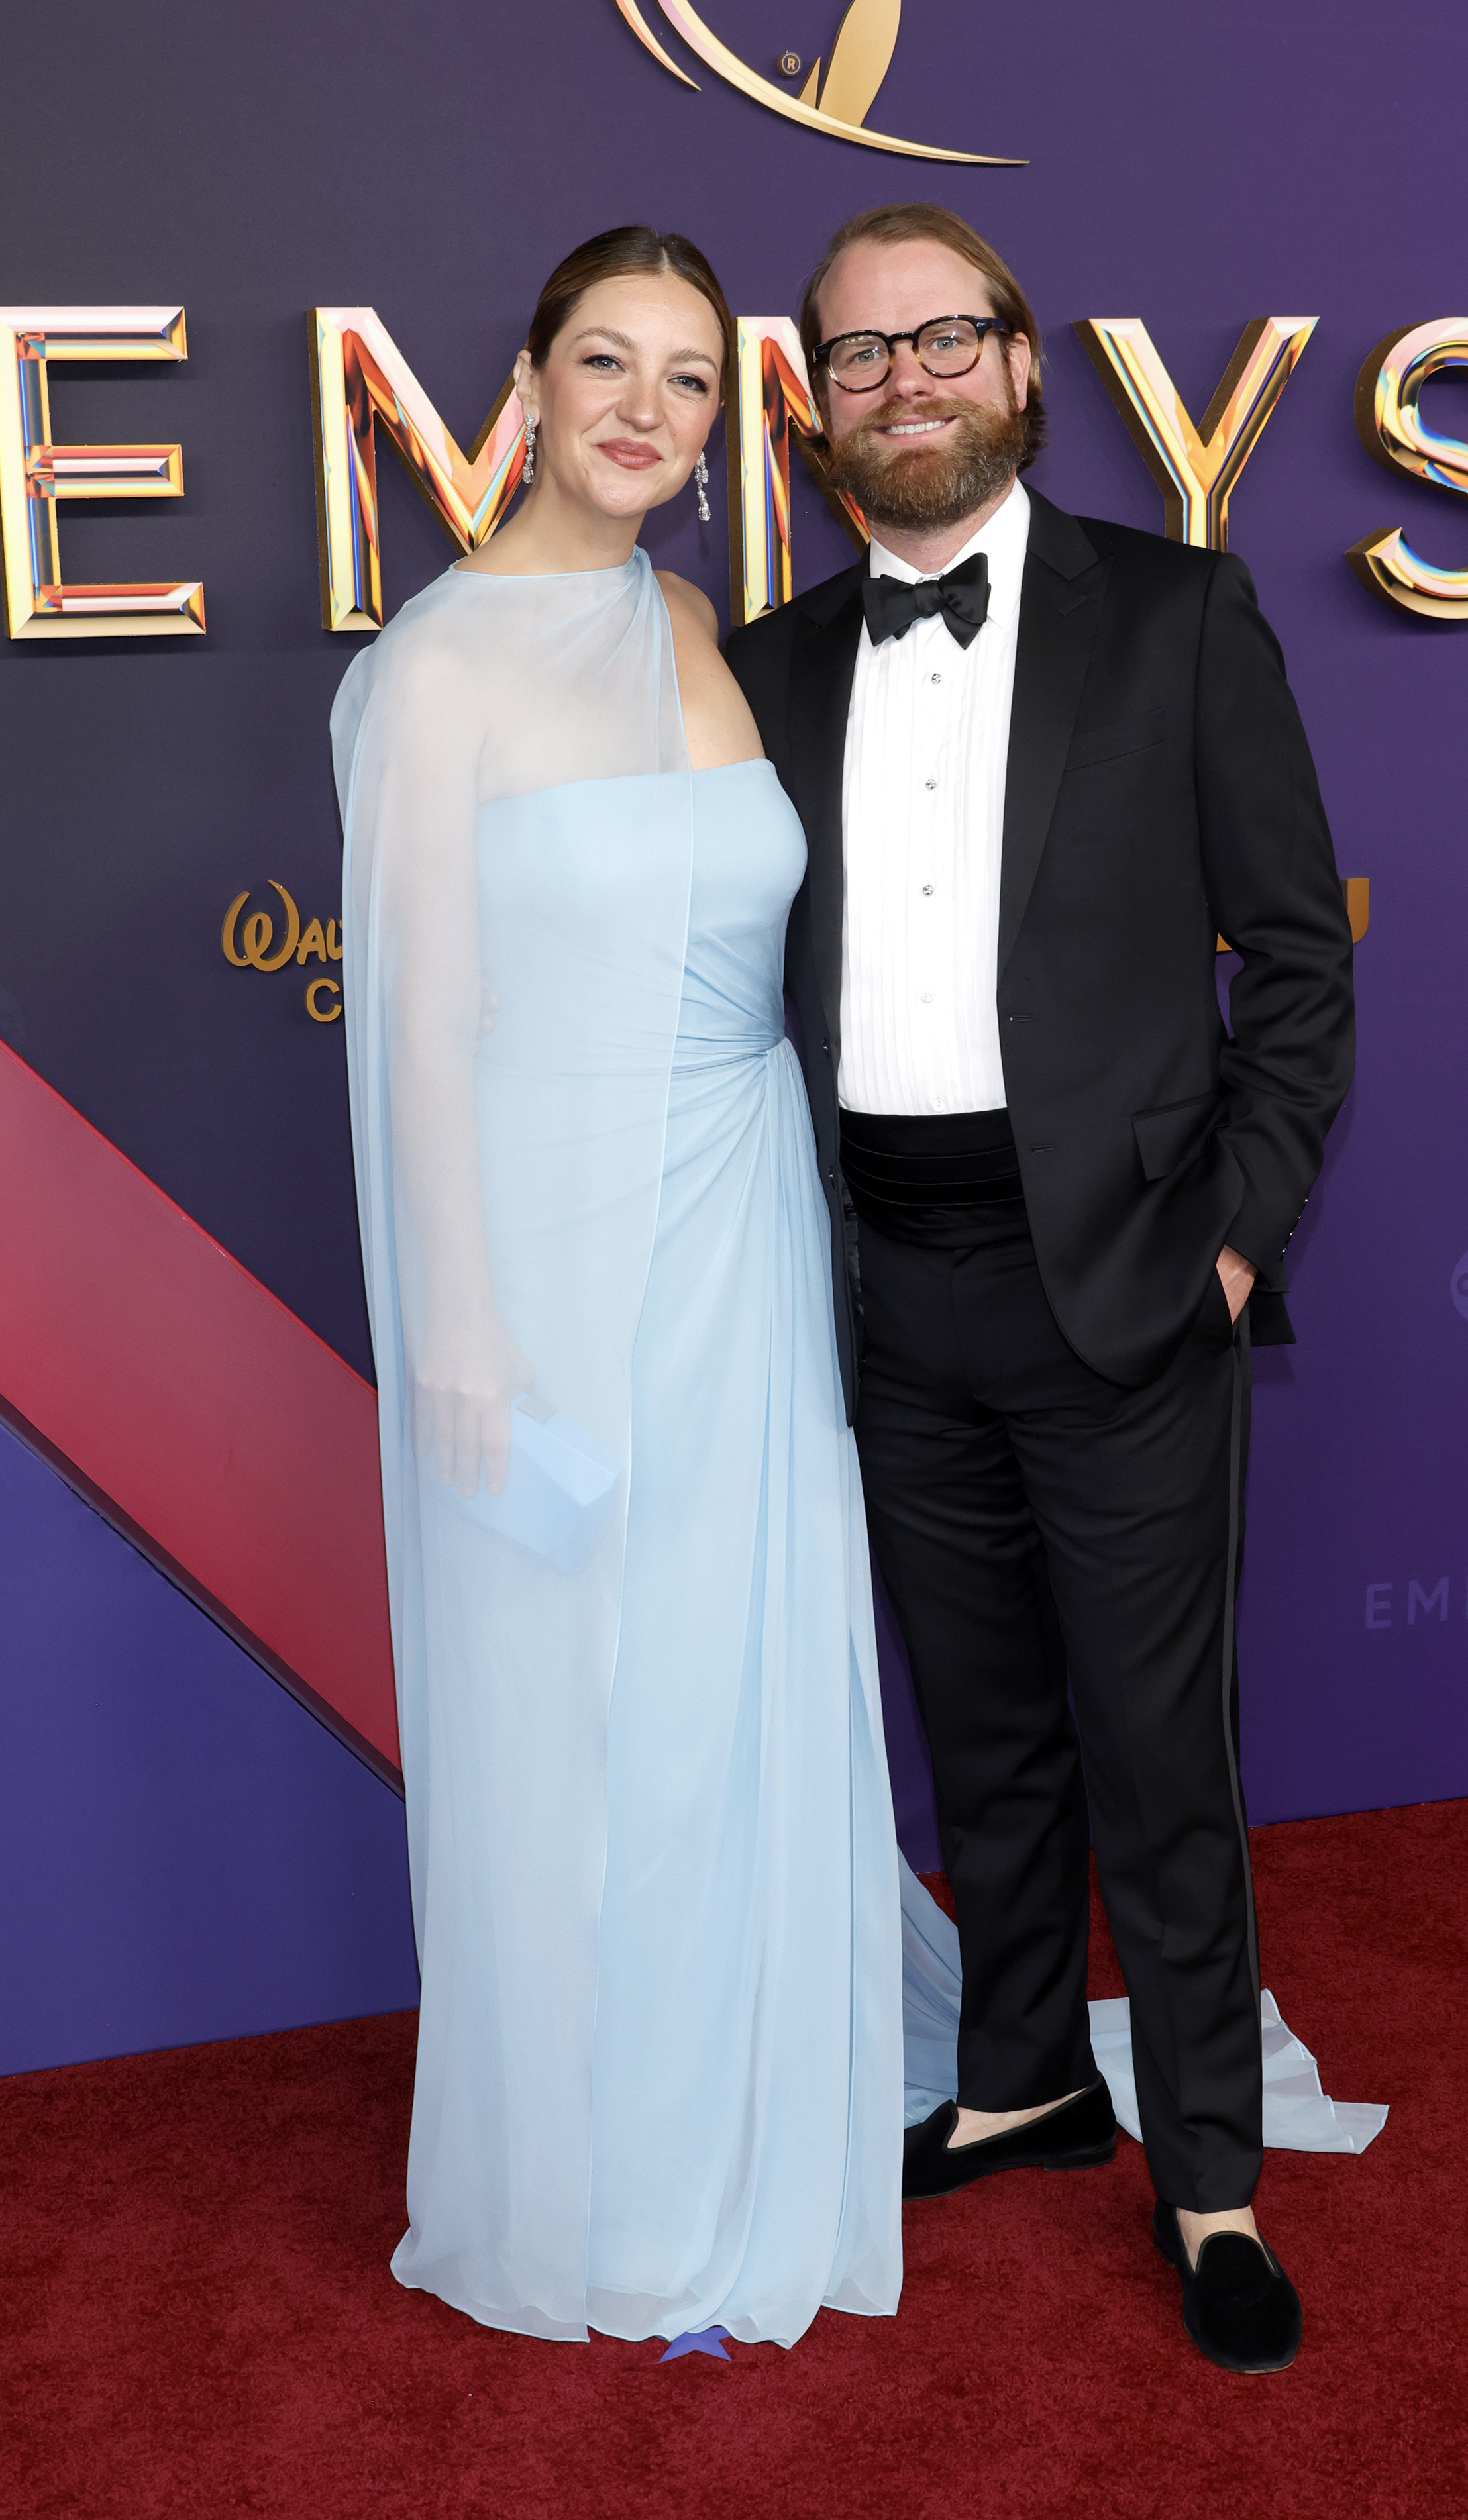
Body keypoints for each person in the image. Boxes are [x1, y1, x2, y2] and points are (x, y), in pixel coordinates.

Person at [726, 201, 1356, 2375]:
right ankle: (1020, 2077)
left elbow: (1302, 960)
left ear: (1018, 365)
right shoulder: (766, 667)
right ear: (815, 404)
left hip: (1128, 1286)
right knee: (980, 1729)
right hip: (884, 1295)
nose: (901, 380)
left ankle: (1210, 2176)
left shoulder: (1180, 615)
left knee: (1160, 1755)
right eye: (857, 353)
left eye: (942, 340)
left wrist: (1235, 1233)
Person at [331, 226, 904, 2349]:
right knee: (571, 1721)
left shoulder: (685, 622)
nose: (645, 410)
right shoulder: (434, 670)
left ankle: (732, 2124)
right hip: (550, 1252)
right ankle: (595, 2186)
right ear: (528, 384)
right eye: (605, 362)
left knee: (718, 1704)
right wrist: (460, 1322)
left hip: (748, 1232)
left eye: (686, 377)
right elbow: (417, 1030)